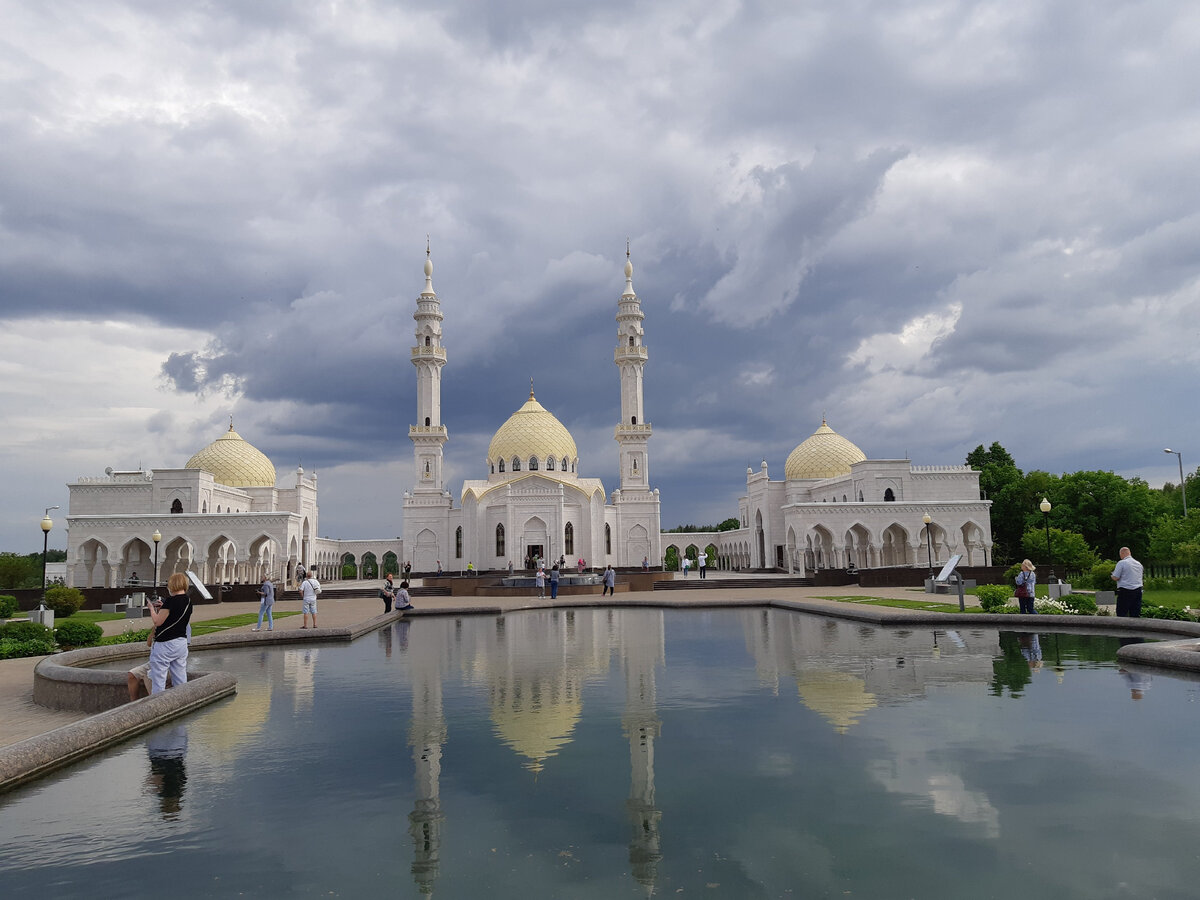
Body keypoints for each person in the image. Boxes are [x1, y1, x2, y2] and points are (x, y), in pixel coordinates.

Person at [148, 572, 192, 694]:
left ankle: (158, 706)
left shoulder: (170, 601)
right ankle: (182, 700)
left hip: (165, 644)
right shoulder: (188, 601)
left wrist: (152, 609)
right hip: (181, 643)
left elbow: (157, 622)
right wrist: (164, 607)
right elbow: (176, 615)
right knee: (180, 677)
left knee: (159, 680)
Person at [1112, 546, 1144, 618]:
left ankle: (1122, 627)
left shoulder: (1122, 563)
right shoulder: (1138, 564)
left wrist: (1112, 575)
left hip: (1125, 590)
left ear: (1122, 554)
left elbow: (1116, 577)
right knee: (1135, 612)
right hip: (1138, 590)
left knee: (1122, 612)